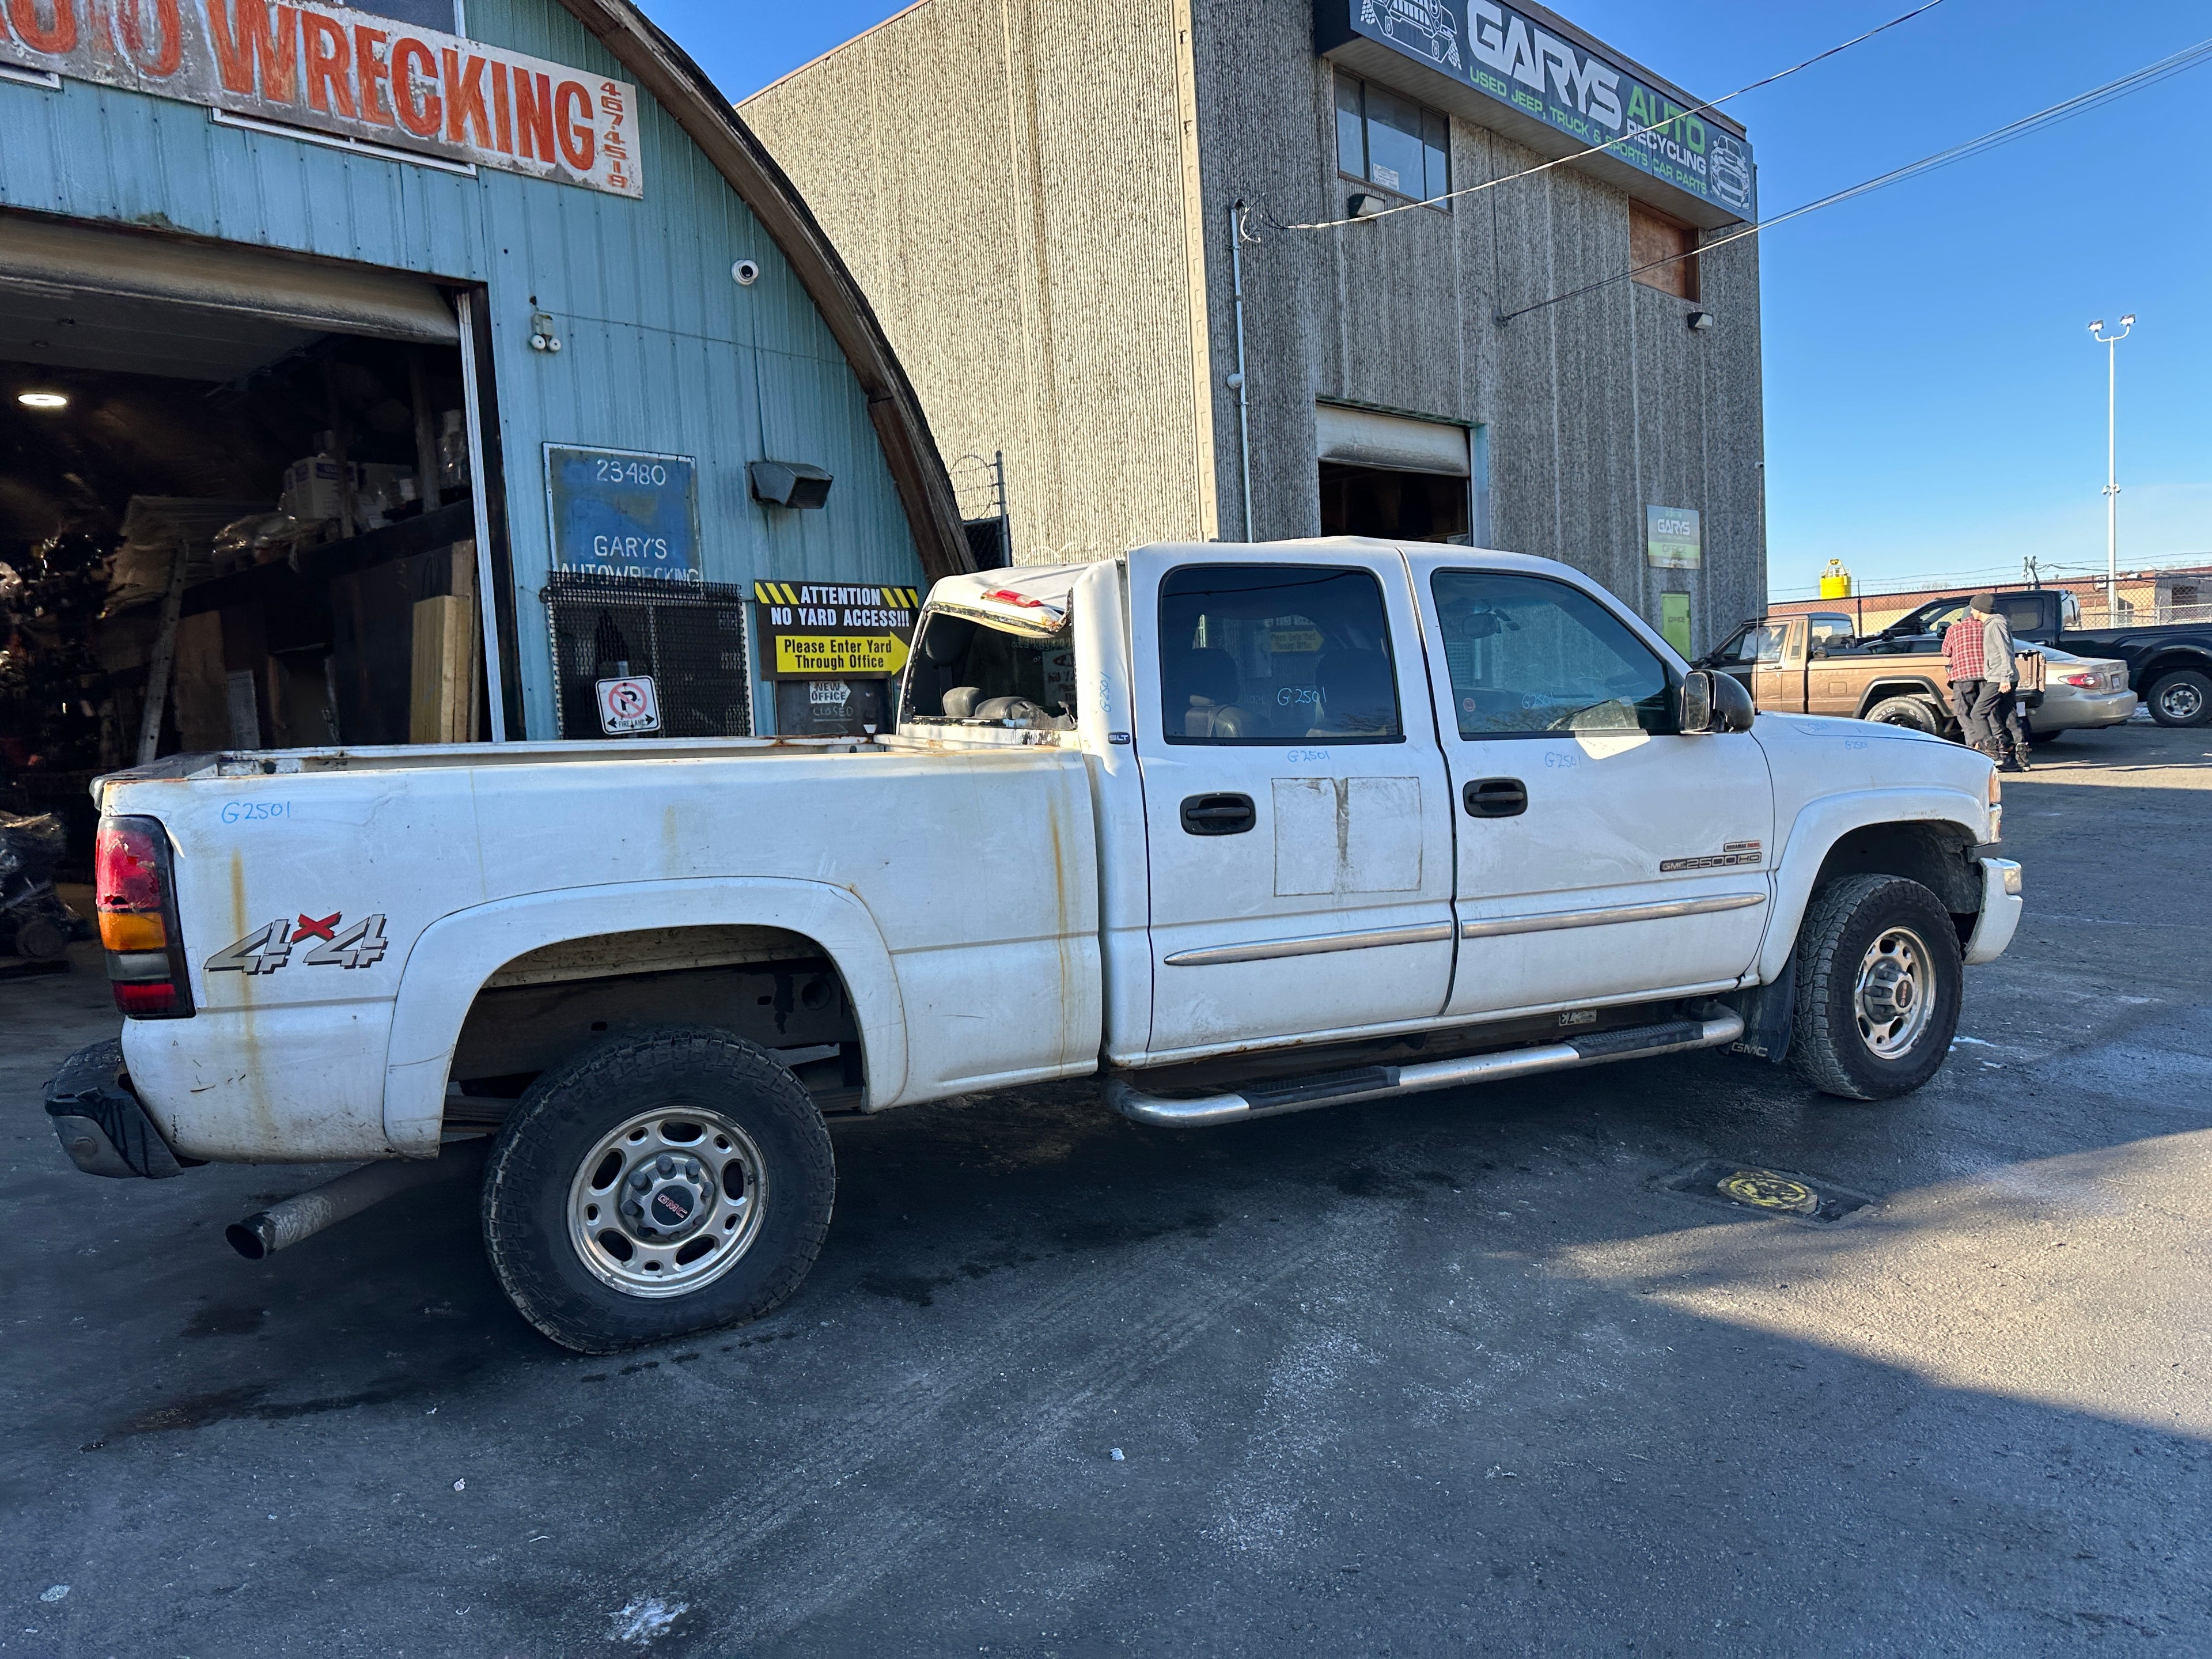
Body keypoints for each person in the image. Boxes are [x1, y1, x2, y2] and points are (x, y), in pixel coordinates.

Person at [1941, 593, 2007, 763]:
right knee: (1988, 712)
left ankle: (1975, 745)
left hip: (1962, 677)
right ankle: (1999, 748)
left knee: (1964, 712)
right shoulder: (1987, 627)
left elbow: (1946, 652)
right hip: (1987, 675)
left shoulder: (1954, 629)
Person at [1980, 602, 2031, 771]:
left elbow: (2005, 650)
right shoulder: (1996, 623)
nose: (1971, 612)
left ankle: (1993, 752)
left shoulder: (1995, 624)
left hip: (1999, 677)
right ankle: (2020, 759)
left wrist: (2005, 677)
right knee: (2009, 715)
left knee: (1979, 712)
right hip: (2003, 676)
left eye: (1973, 608)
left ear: (1980, 609)